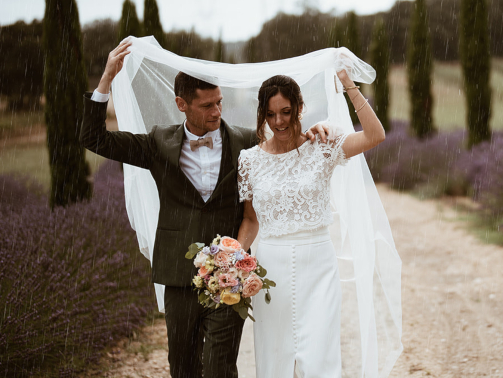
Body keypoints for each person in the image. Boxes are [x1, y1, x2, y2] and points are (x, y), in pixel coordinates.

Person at [80, 40, 334, 378]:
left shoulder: (246, 142)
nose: (216, 112)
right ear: (181, 104)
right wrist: (106, 80)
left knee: (219, 366)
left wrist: (314, 131)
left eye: (219, 102)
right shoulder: (158, 143)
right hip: (177, 273)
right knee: (182, 365)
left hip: (229, 276)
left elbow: (284, 147)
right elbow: (94, 139)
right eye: (206, 105)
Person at [235, 71, 386, 377]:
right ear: (262, 115)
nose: (279, 122)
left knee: (319, 359)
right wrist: (234, 258)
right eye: (271, 114)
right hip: (270, 269)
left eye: (286, 112)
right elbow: (251, 219)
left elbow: (375, 136)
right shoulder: (249, 160)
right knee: (274, 358)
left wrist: (349, 86)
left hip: (318, 265)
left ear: (299, 108)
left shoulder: (323, 145)